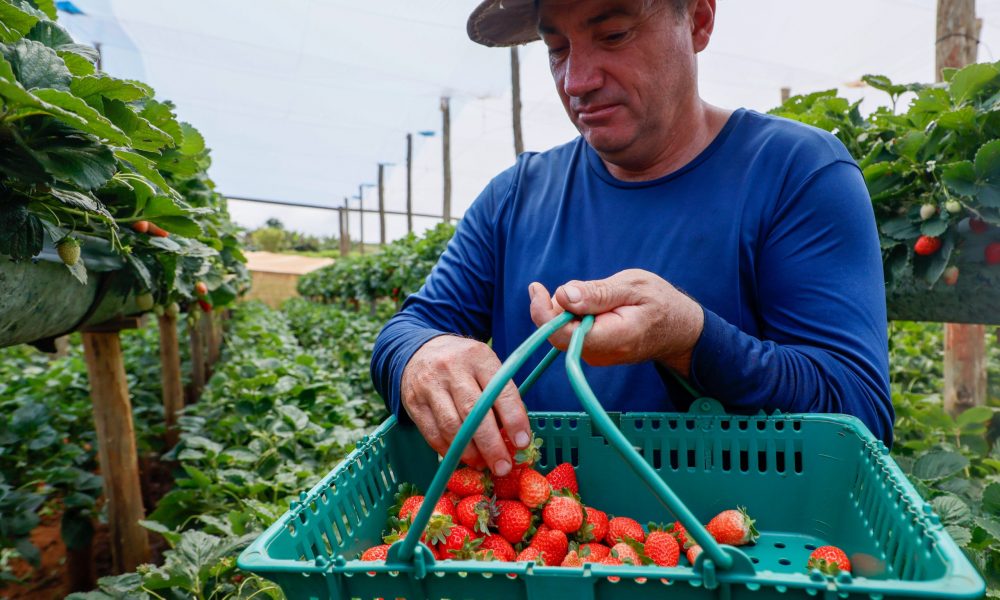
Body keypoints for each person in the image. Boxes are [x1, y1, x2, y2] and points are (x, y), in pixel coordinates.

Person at [371, 0, 893, 477]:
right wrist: (424, 353)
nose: (576, 80)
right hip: (538, 545)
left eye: (615, 34)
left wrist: (691, 340)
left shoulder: (794, 173)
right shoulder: (515, 195)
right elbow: (409, 329)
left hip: (727, 548)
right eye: (557, 49)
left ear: (699, 20)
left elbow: (861, 414)